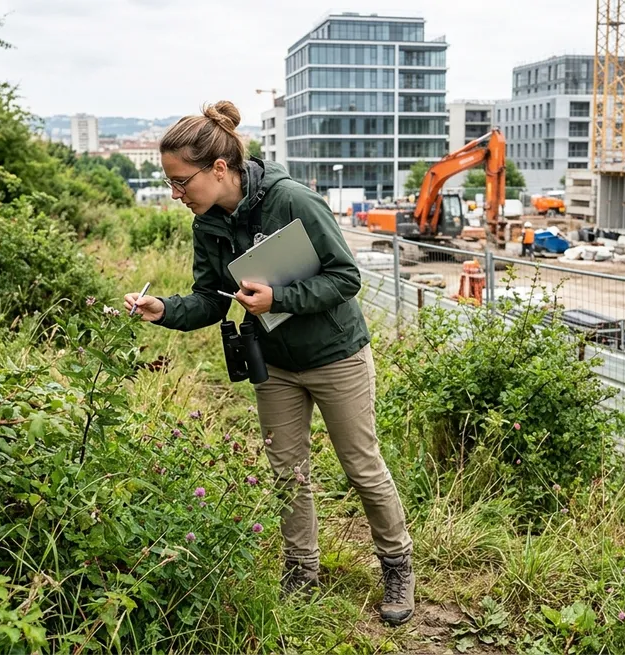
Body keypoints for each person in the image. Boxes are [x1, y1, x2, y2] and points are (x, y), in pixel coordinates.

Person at [123, 101, 416, 626]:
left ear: (218, 168)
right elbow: (211, 299)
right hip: (273, 364)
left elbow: (347, 278)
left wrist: (277, 299)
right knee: (287, 474)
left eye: (179, 181)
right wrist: (164, 309)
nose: (175, 193)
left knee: (362, 468)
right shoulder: (206, 223)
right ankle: (302, 570)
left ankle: (397, 565)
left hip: (335, 357)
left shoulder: (293, 199)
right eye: (169, 183)